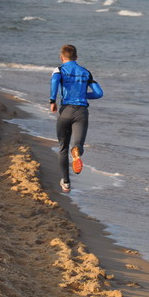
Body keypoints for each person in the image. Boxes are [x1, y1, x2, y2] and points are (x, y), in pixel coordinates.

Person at [49, 44, 103, 192]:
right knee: (77, 144)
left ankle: (66, 182)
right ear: (76, 57)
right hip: (81, 112)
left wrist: (52, 101)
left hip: (66, 111)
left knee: (63, 148)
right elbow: (99, 93)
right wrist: (83, 95)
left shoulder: (59, 69)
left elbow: (54, 82)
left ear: (61, 57)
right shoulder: (86, 72)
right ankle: (77, 153)